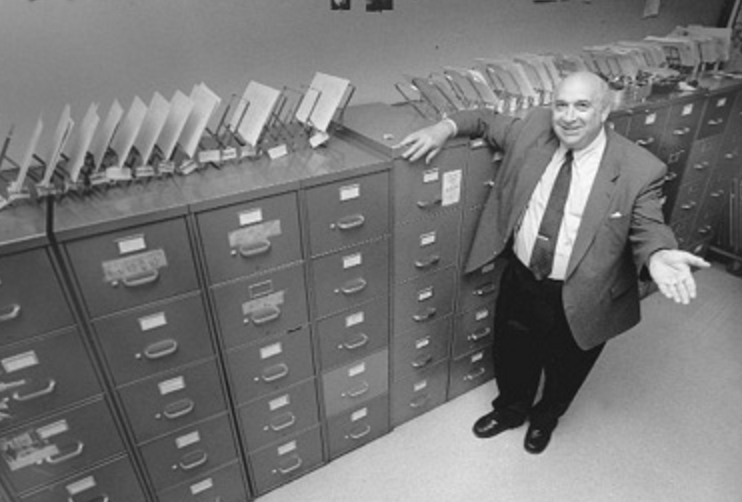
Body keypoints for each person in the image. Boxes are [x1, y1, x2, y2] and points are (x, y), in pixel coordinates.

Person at [397, 71, 710, 454]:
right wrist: (441, 129)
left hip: (588, 289)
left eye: (582, 106)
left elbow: (648, 225)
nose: (568, 117)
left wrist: (659, 254)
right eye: (561, 105)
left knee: (568, 366)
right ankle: (510, 410)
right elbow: (483, 119)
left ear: (605, 111)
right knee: (512, 352)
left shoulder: (639, 168)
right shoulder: (533, 128)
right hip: (524, 276)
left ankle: (545, 419)